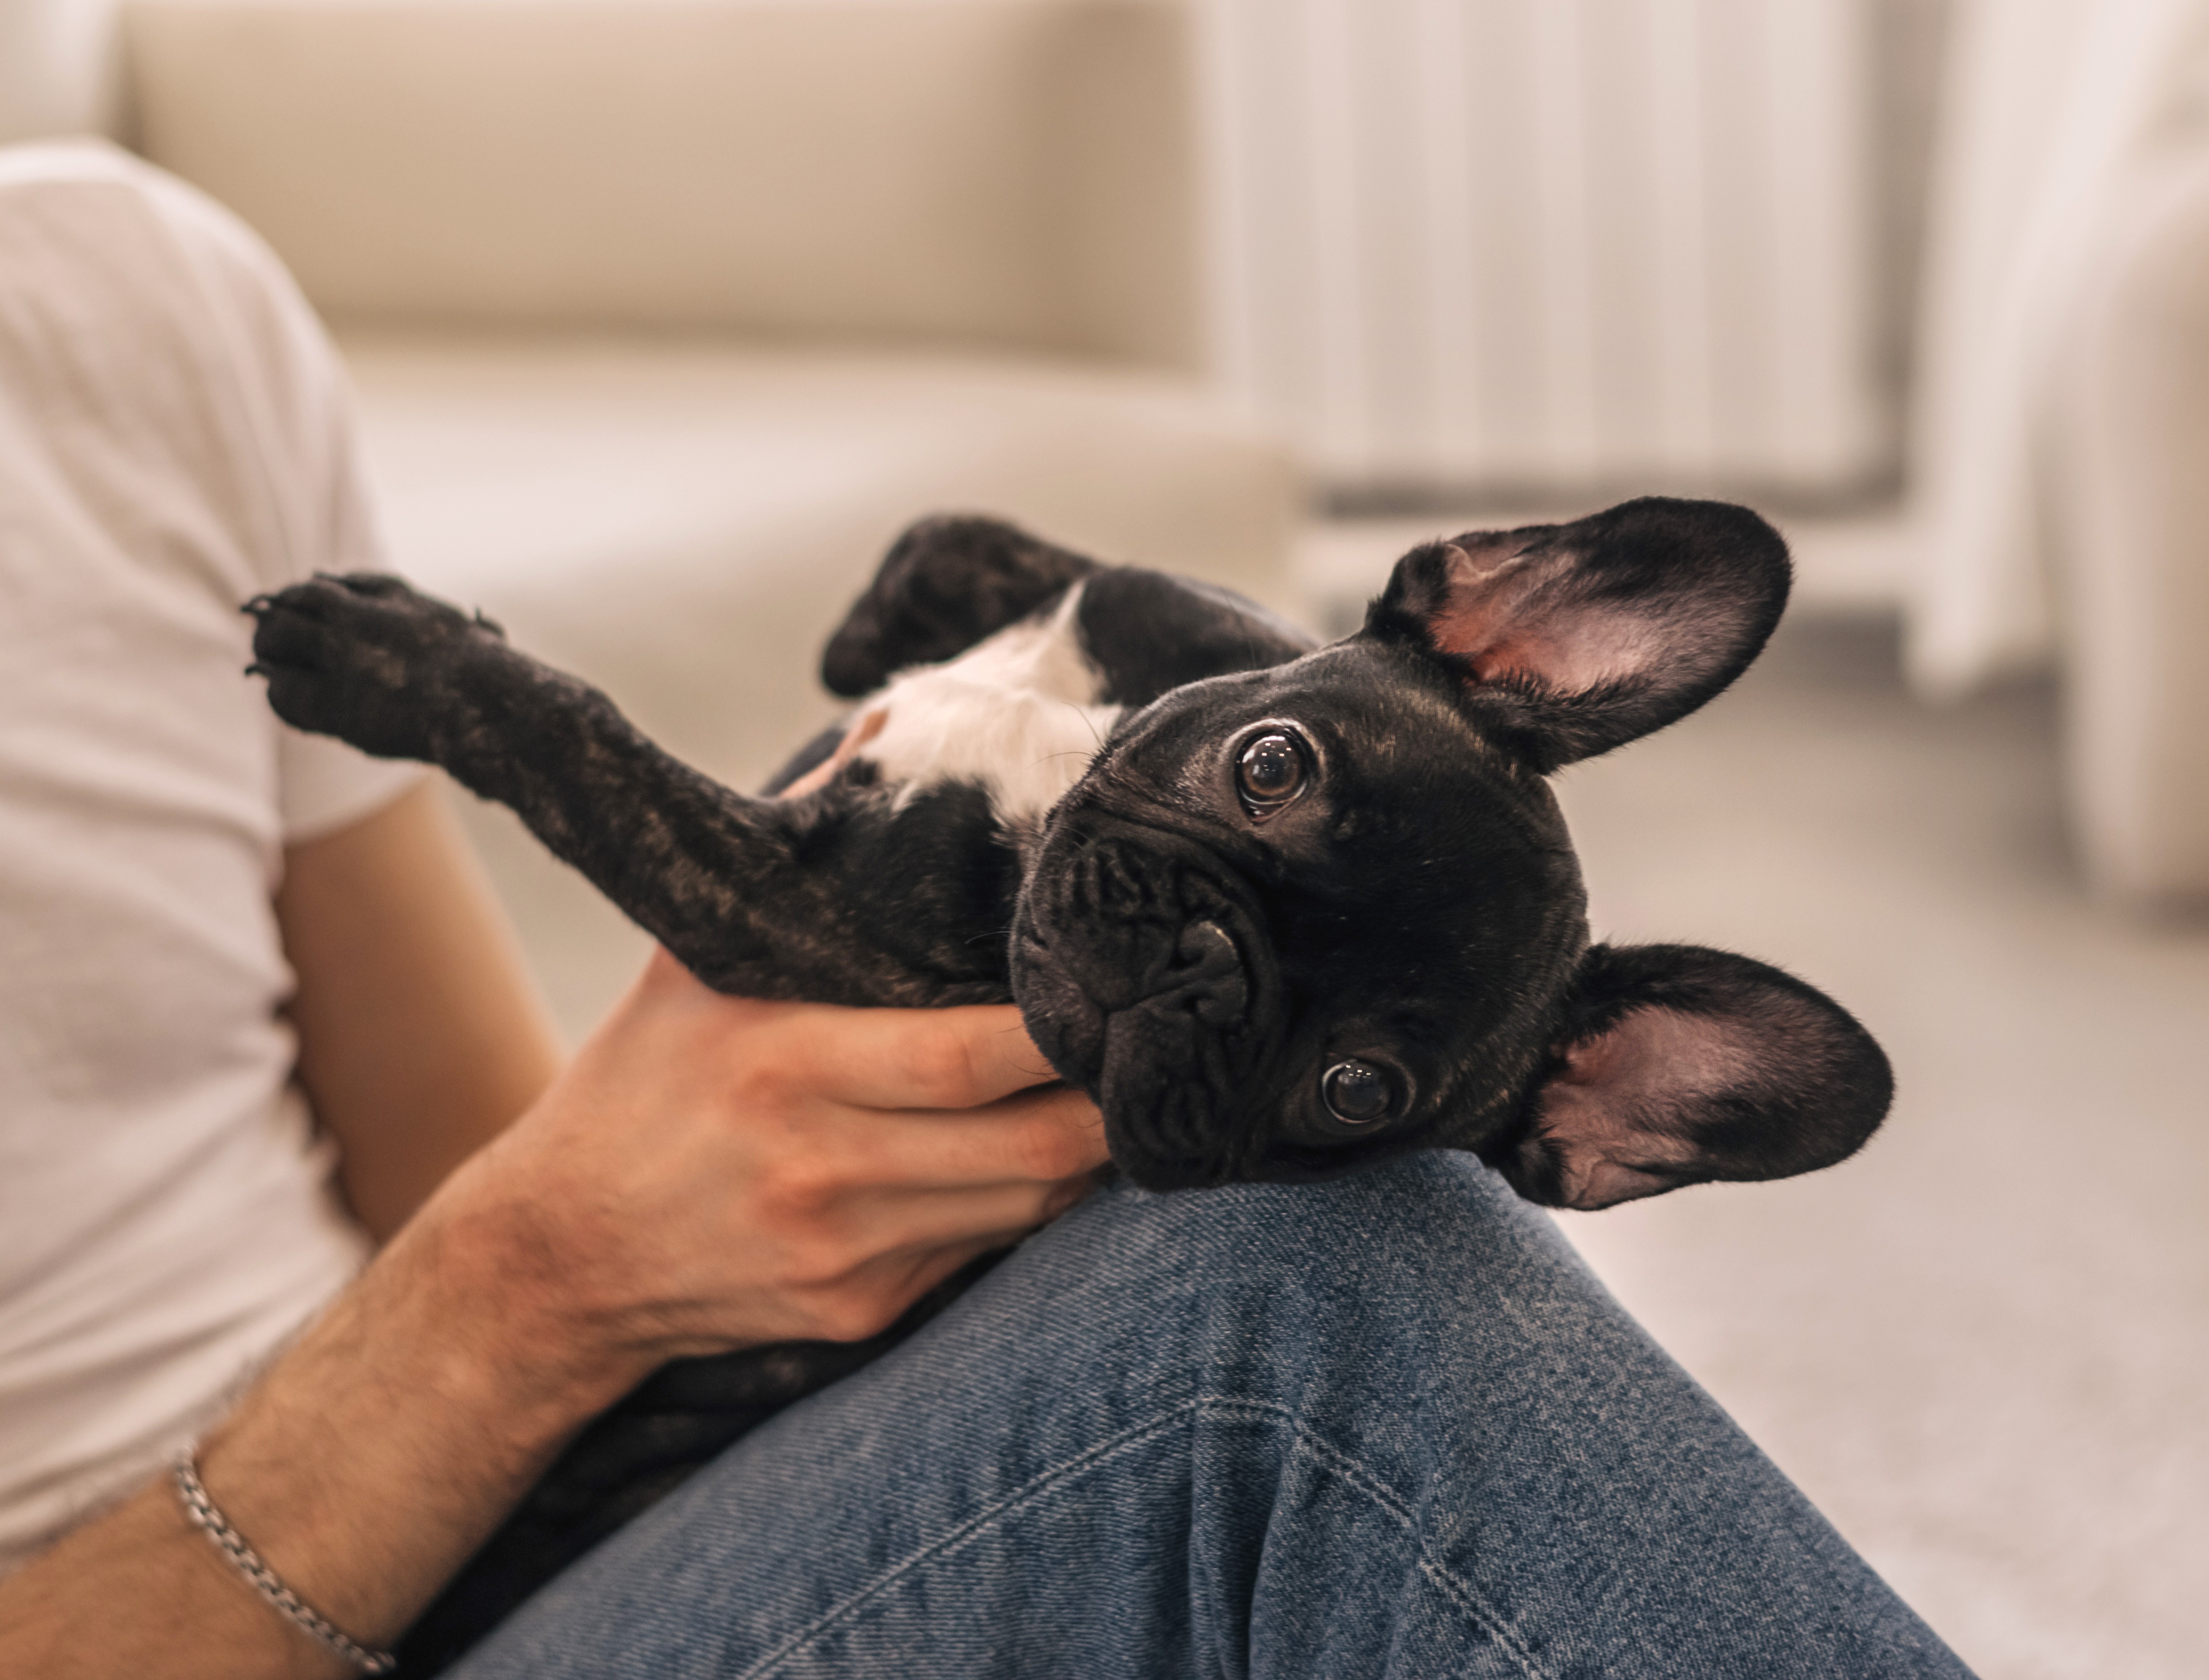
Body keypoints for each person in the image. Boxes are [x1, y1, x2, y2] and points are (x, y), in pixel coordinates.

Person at [0, 142, 1974, 1678]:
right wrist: (535, 1279)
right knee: (1289, 1310)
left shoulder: (126, 302)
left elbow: (438, 1130)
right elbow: (510, 1246)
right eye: (1266, 780)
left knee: (1320, 1246)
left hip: (548, 1522)